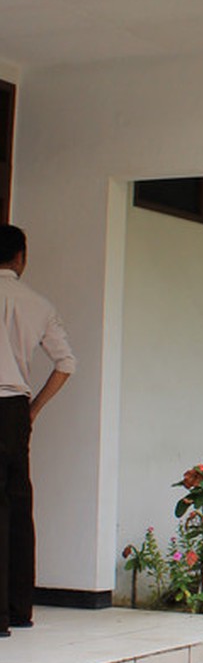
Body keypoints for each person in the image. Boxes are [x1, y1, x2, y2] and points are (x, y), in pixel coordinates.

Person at [0, 225, 75, 636]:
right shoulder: (37, 304)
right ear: (21, 258)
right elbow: (65, 364)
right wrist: (34, 409)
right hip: (14, 409)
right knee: (17, 504)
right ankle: (18, 608)